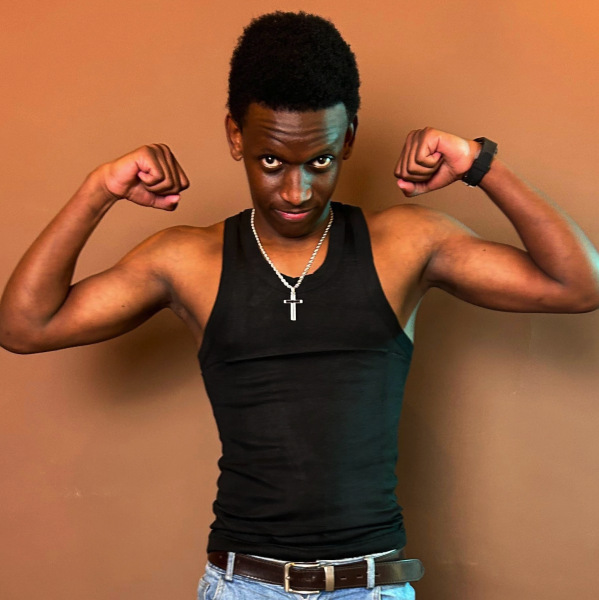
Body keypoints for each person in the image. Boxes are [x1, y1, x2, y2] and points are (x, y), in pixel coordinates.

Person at [1, 10, 598, 600]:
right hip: (244, 585)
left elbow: (579, 284)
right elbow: (25, 326)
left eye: (320, 161)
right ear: (236, 135)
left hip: (369, 586)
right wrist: (99, 190)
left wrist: (480, 165)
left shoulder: (404, 244)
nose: (296, 191)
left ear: (349, 139)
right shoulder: (187, 259)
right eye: (272, 162)